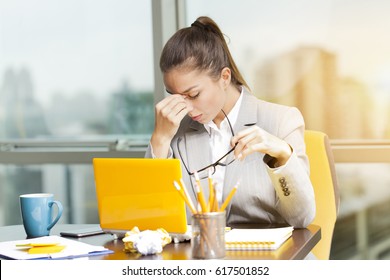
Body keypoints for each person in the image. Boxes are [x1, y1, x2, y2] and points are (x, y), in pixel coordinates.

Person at [145, 16, 315, 228]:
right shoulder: (173, 130)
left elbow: (302, 218)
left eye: (194, 94)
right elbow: (151, 219)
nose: (185, 108)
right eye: (176, 97)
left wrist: (282, 154)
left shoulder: (281, 120)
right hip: (197, 257)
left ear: (224, 77)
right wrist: (160, 140)